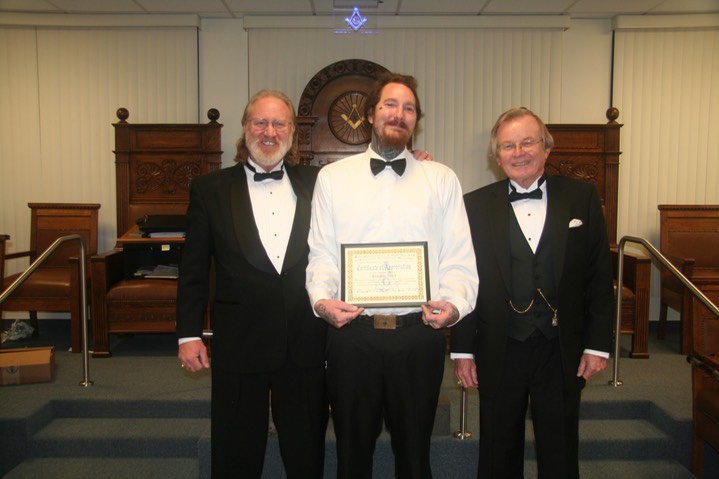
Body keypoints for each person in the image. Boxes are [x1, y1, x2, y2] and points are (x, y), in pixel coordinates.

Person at [305, 72, 479, 479]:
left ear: (416, 120)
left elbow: (458, 256)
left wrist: (453, 305)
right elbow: (322, 255)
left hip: (417, 336)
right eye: (389, 105)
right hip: (352, 337)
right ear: (370, 114)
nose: (398, 114)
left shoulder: (442, 180)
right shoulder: (332, 179)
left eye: (409, 108)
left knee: (416, 456)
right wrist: (321, 300)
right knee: (352, 454)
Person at [452, 107, 614, 479]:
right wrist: (462, 349)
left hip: (561, 347)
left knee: (559, 449)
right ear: (497, 156)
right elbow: (464, 280)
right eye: (508, 145)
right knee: (497, 449)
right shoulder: (473, 206)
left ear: (546, 149)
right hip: (499, 345)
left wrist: (596, 344)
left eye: (528, 142)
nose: (518, 152)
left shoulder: (582, 198)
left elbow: (598, 277)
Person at [176, 90, 328, 478]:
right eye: (260, 122)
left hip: (304, 339)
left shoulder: (320, 183)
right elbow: (193, 269)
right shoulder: (209, 189)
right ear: (245, 129)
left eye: (279, 123)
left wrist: (414, 163)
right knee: (235, 449)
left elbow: (367, 194)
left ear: (292, 131)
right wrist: (188, 333)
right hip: (240, 341)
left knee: (306, 448)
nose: (269, 131)